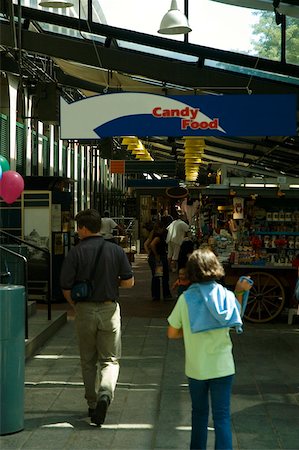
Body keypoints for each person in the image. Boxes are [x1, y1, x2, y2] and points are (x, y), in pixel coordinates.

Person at [167, 247, 252, 450]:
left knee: (199, 413)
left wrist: (188, 332)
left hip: (196, 367)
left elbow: (171, 333)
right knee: (222, 416)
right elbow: (236, 318)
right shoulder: (226, 295)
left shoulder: (185, 299)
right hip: (223, 367)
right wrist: (240, 291)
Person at [60, 209, 134, 426]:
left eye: (77, 227)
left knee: (88, 360)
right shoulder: (115, 250)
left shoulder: (75, 252)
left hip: (84, 310)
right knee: (110, 359)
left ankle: (92, 404)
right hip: (109, 309)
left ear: (83, 228)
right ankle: (105, 393)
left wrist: (77, 305)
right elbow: (129, 282)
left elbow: (65, 285)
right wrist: (112, 282)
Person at [144, 221, 172, 302]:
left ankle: (156, 295)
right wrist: (156, 255)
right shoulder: (159, 236)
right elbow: (152, 244)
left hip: (154, 258)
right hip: (160, 258)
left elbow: (146, 244)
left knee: (156, 276)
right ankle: (166, 294)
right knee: (164, 276)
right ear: (161, 228)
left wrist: (150, 253)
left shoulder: (152, 234)